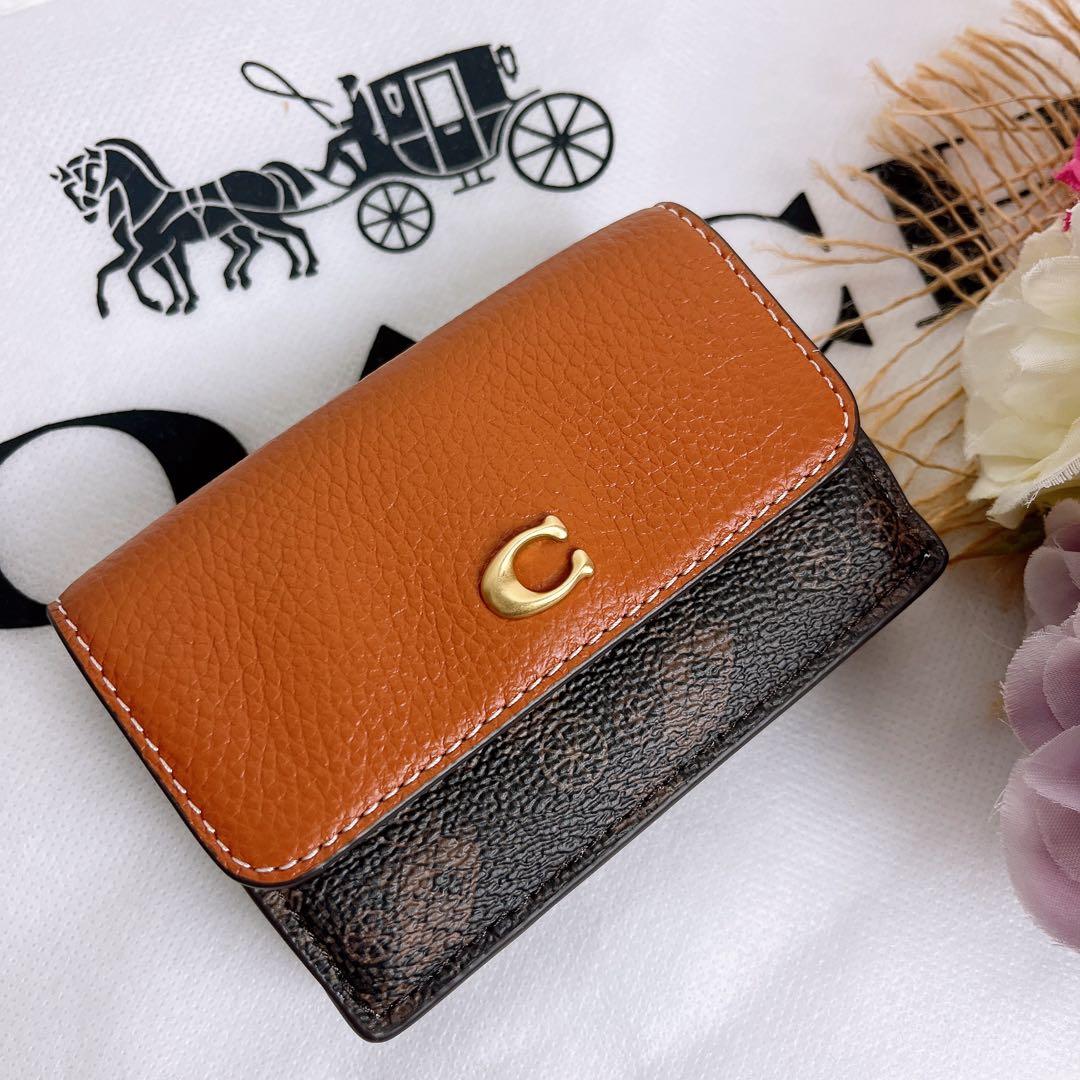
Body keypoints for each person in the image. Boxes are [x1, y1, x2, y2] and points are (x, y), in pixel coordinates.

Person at [314, 75, 392, 185]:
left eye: (344, 84)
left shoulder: (358, 97)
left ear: (350, 85)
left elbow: (360, 118)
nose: (342, 87)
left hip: (362, 130)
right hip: (360, 129)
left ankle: (355, 173)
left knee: (333, 144)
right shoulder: (355, 96)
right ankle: (356, 173)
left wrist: (340, 125)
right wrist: (341, 125)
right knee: (334, 146)